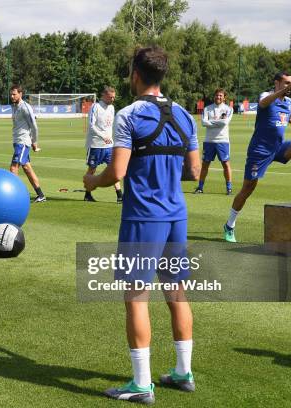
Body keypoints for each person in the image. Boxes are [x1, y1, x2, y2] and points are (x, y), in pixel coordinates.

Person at [84, 46, 200, 404]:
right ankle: (183, 372)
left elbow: (116, 172)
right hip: (176, 217)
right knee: (176, 293)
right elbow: (194, 171)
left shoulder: (128, 115)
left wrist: (92, 183)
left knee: (136, 298)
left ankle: (141, 384)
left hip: (142, 219)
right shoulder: (185, 115)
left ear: (136, 74)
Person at [223, 71, 291, 243]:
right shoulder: (267, 96)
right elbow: (263, 103)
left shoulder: (288, 101)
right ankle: (229, 225)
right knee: (248, 189)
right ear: (276, 83)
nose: (290, 86)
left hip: (278, 147)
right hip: (260, 151)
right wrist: (283, 91)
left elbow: (289, 117)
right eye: (286, 83)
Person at [84, 86, 123, 203]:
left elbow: (111, 125)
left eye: (114, 97)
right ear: (104, 95)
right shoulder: (95, 107)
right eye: (111, 97)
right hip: (96, 144)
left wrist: (113, 138)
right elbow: (91, 126)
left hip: (109, 146)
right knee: (92, 170)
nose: (113, 99)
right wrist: (103, 136)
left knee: (113, 169)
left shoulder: (112, 108)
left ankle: (119, 196)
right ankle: (87, 194)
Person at [9, 85, 46, 203]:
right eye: (11, 94)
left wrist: (34, 142)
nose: (12, 96)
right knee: (27, 168)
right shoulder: (14, 106)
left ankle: (13, 196)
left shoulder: (25, 107)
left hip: (23, 142)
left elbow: (34, 126)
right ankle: (41, 195)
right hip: (17, 142)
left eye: (14, 94)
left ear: (20, 94)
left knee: (14, 167)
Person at [194, 88, 234, 195]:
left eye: (221, 95)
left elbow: (224, 122)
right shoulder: (207, 109)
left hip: (223, 141)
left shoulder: (229, 109)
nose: (218, 97)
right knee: (205, 165)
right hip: (209, 141)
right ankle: (200, 187)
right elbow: (203, 123)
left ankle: (229, 188)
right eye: (217, 95)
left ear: (224, 97)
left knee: (225, 164)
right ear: (214, 96)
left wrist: (210, 122)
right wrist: (217, 122)